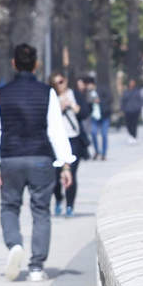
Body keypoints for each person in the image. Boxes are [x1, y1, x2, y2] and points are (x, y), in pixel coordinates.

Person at [0, 44, 76, 282]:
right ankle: (36, 267)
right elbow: (56, 130)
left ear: (14, 63)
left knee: (9, 207)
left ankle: (15, 245)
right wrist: (65, 163)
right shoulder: (47, 93)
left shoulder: (1, 94)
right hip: (41, 159)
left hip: (11, 159)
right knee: (41, 211)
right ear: (36, 64)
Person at [51, 73, 85, 217]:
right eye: (56, 83)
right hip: (56, 140)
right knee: (55, 175)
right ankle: (59, 198)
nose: (59, 85)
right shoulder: (51, 97)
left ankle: (70, 205)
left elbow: (85, 112)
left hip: (73, 139)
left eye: (61, 81)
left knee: (71, 172)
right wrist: (59, 108)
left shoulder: (74, 95)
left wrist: (71, 105)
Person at [82, 76, 109, 160]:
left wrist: (100, 101)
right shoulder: (87, 93)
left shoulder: (101, 89)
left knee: (104, 134)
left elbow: (109, 98)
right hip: (94, 116)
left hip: (104, 115)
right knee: (93, 133)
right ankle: (97, 150)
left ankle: (104, 153)